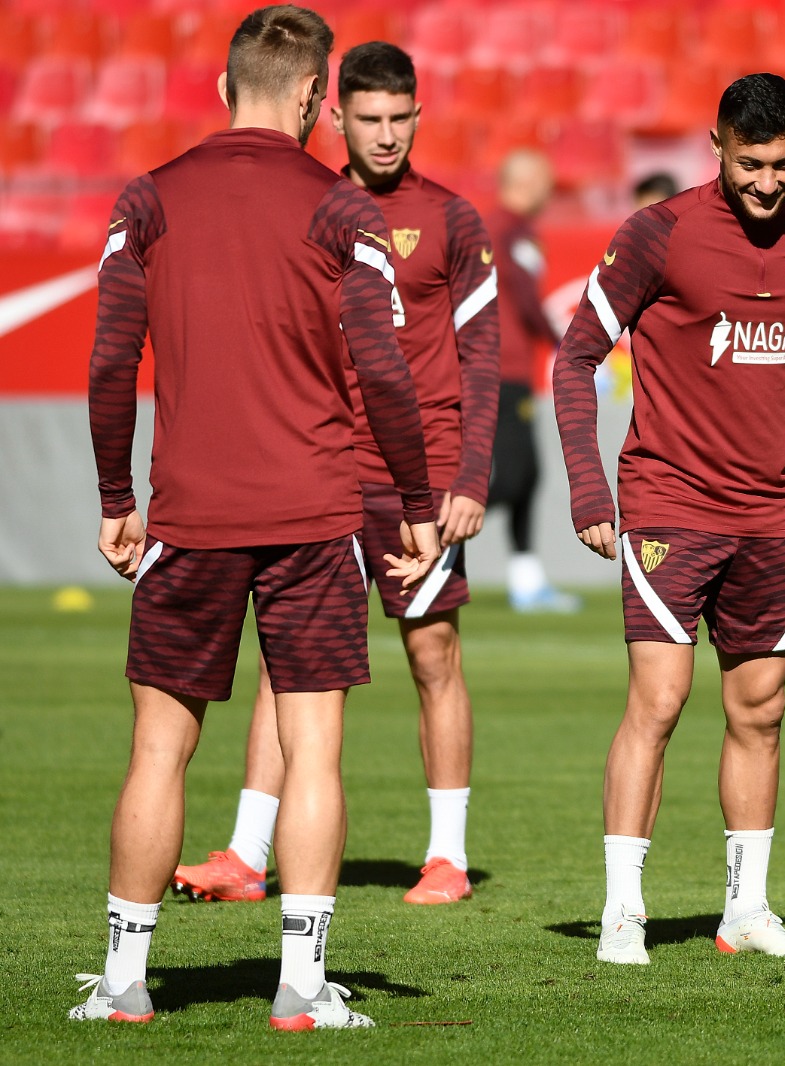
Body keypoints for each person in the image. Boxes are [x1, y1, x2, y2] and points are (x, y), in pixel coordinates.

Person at [78, 5, 438, 1029]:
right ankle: (299, 987)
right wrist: (411, 504)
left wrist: (116, 496)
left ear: (226, 84)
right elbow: (384, 370)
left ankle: (124, 984)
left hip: (188, 518)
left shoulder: (149, 198)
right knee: (314, 750)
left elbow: (111, 363)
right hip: (316, 516)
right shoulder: (341, 210)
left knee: (158, 747)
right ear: (317, 98)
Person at [169, 40, 498, 909]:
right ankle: (247, 853)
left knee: (433, 655)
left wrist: (469, 477)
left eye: (401, 118)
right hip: (318, 464)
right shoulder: (304, 204)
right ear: (335, 114)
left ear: (419, 116)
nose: (386, 135)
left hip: (414, 474)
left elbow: (484, 358)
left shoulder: (455, 221)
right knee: (288, 661)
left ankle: (448, 857)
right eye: (370, 118)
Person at [554, 73, 785, 965]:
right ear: (716, 146)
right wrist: (589, 489)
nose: (770, 183)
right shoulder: (659, 235)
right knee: (658, 702)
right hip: (667, 506)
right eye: (752, 164)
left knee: (760, 711)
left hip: (766, 515)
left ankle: (746, 910)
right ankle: (624, 912)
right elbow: (573, 359)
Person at [488, 148, 578, 613]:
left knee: (524, 476)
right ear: (524, 183)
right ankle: (431, 530)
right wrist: (564, 342)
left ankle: (527, 580)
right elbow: (524, 298)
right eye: (545, 183)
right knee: (516, 475)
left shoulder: (495, 231)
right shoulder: (511, 232)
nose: (549, 194)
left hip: (495, 370)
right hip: (504, 372)